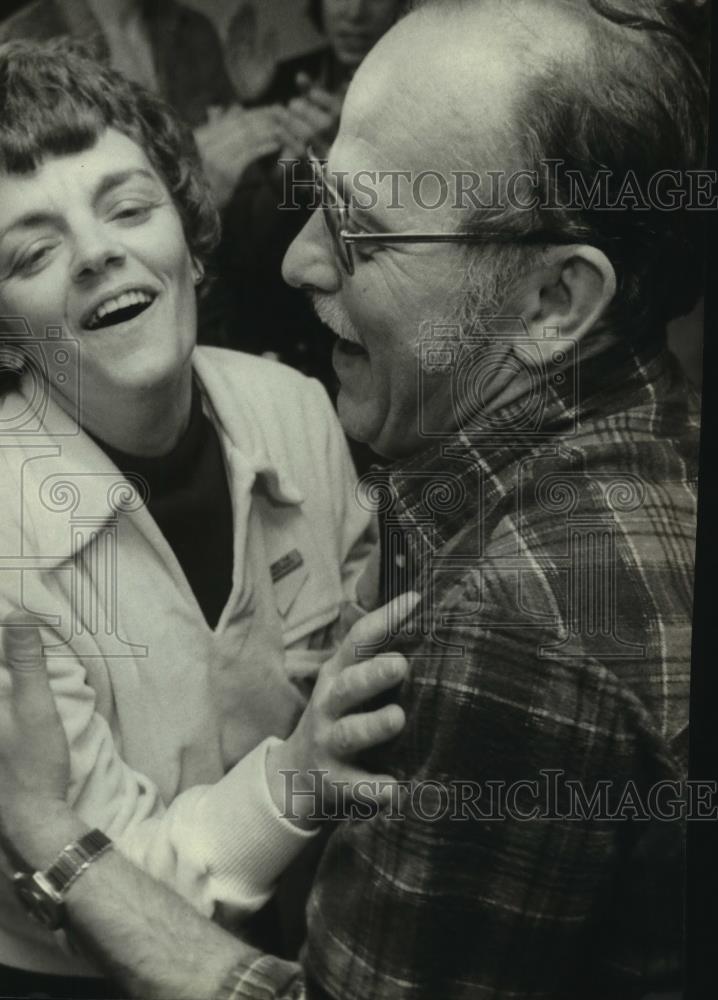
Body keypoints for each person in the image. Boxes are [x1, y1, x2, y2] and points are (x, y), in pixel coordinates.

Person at [0, 0, 707, 997]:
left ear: (554, 302)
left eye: (361, 230)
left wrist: (47, 830)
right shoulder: (466, 447)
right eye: (28, 252)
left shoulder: (498, 619)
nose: (296, 261)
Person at [0, 36, 414, 999]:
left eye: (129, 210)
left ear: (189, 242)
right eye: (33, 249)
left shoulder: (292, 407)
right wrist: (300, 775)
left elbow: (367, 651)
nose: (99, 253)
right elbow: (95, 881)